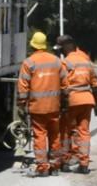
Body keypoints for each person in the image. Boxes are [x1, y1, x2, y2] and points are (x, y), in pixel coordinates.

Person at [17, 31, 68, 176]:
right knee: (55, 135)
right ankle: (55, 166)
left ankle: (42, 168)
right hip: (54, 106)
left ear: (33, 45)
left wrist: (21, 103)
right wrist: (65, 102)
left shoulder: (29, 62)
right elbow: (65, 84)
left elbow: (23, 86)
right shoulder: (56, 61)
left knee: (40, 135)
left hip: (37, 107)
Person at [58, 34, 97, 174]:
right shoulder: (86, 61)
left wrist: (61, 103)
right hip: (87, 99)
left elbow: (63, 85)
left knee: (65, 131)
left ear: (65, 49)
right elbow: (95, 85)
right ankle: (84, 164)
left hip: (72, 100)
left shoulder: (65, 63)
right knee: (84, 132)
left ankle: (64, 162)